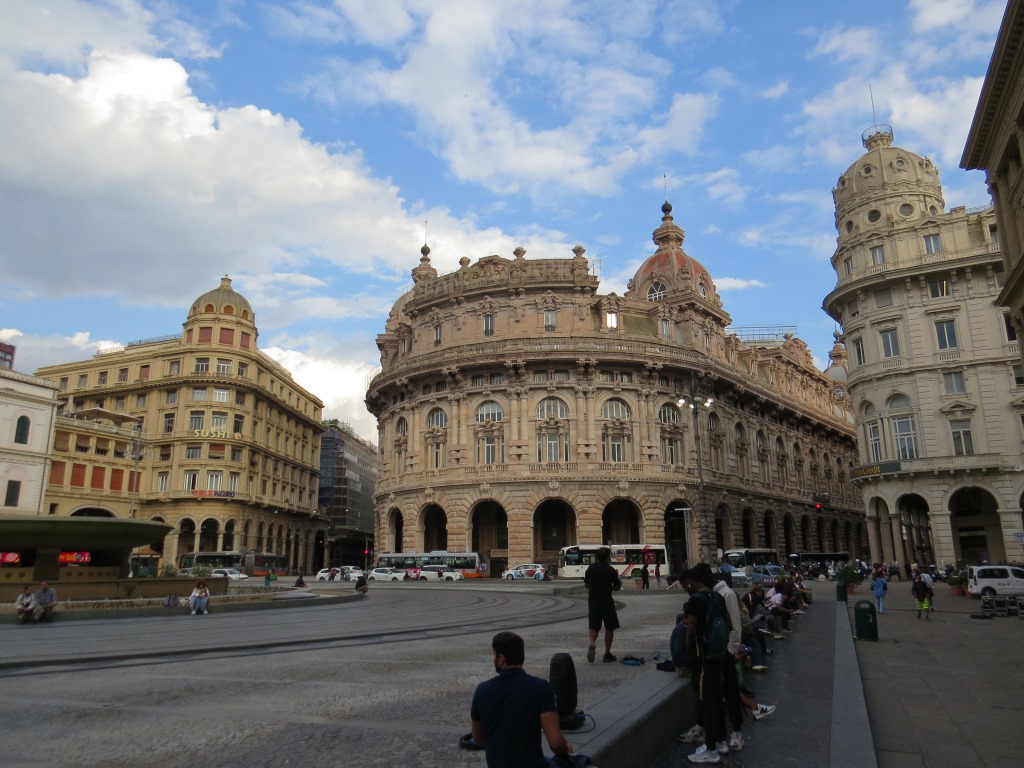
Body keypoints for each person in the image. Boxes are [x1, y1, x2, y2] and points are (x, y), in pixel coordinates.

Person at [469, 631, 574, 768]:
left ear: (501, 658)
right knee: (580, 761)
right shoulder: (541, 688)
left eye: (494, 654)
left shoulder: (482, 690)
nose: (493, 658)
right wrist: (567, 748)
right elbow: (556, 744)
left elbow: (477, 737)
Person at [693, 562, 745, 753]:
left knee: (731, 693)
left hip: (726, 652)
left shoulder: (727, 594)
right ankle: (715, 734)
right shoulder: (711, 594)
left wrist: (731, 650)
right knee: (715, 694)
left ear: (705, 577)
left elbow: (734, 625)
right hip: (715, 653)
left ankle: (737, 733)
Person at [678, 568, 729, 764]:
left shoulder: (695, 600)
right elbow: (729, 624)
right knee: (717, 698)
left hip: (703, 657)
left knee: (706, 701)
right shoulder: (717, 596)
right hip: (719, 654)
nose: (685, 590)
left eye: (684, 586)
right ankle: (722, 742)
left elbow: (690, 631)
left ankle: (711, 749)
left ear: (690, 582)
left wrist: (687, 651)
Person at [583, 546, 622, 663]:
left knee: (594, 626)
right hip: (606, 601)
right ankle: (607, 653)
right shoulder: (610, 570)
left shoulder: (591, 568)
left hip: (593, 601)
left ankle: (592, 643)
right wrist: (610, 587)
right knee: (609, 627)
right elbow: (617, 587)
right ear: (607, 557)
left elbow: (586, 584)